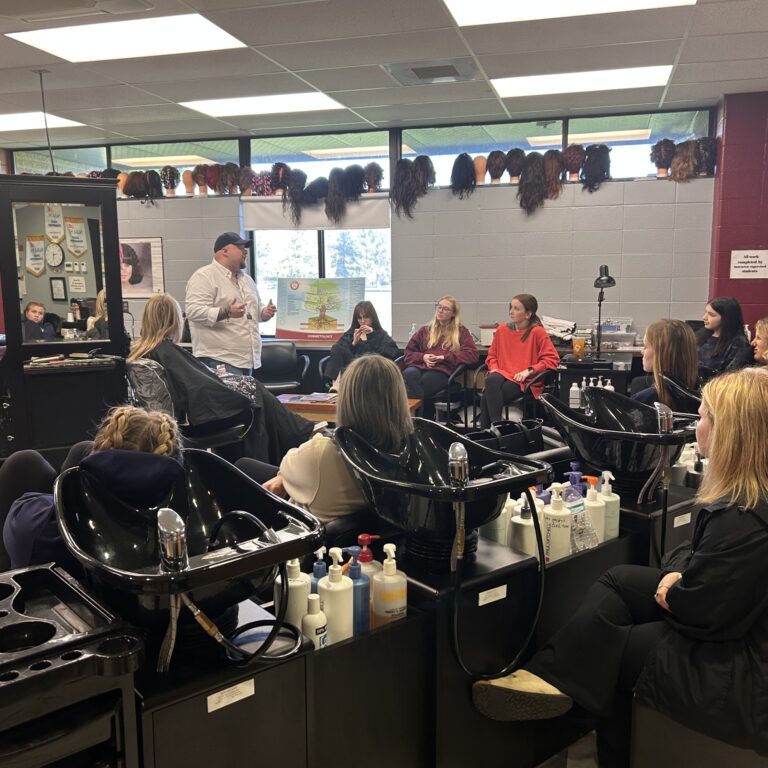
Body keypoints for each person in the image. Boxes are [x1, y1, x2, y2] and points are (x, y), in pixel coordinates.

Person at [473, 367, 768, 765]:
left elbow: (701, 614)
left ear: (730, 432)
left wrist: (675, 592)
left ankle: (584, 726)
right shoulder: (746, 500)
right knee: (618, 580)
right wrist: (678, 580)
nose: (696, 425)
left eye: (703, 417)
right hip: (735, 627)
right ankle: (549, 676)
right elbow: (692, 559)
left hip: (747, 675)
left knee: (610, 653)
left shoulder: (743, 516)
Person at [129, 294, 313, 466]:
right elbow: (199, 385)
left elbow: (195, 381)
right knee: (255, 397)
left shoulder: (142, 352)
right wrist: (227, 385)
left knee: (253, 393)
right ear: (173, 320)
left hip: (186, 416)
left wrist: (221, 381)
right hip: (197, 421)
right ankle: (300, 438)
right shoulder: (166, 350)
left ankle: (299, 436)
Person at [2, 406, 183, 574]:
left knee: (24, 462)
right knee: (80, 450)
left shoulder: (42, 531)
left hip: (58, 594)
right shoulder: (189, 528)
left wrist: (69, 492)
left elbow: (20, 523)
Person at [236, 355, 413, 522]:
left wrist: (284, 477)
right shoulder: (413, 448)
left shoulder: (321, 451)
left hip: (310, 535)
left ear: (346, 399)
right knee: (248, 466)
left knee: (241, 468)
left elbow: (288, 463)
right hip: (368, 528)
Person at [185, 232, 276, 375]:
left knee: (245, 398)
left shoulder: (247, 280)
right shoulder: (204, 276)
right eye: (240, 248)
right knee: (229, 398)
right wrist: (226, 312)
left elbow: (253, 313)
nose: (245, 252)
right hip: (219, 360)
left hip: (246, 360)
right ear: (225, 251)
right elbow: (193, 311)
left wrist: (264, 313)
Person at [478, 294, 559, 428]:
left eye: (516, 308)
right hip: (502, 373)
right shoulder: (502, 330)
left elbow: (551, 359)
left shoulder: (537, 332)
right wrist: (494, 368)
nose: (511, 312)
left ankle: (489, 434)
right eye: (511, 307)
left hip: (523, 380)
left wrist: (529, 370)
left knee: (486, 397)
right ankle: (497, 427)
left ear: (528, 314)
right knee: (491, 379)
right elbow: (491, 356)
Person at [402, 295, 479, 419]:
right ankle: (421, 420)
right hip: (420, 366)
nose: (440, 311)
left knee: (422, 385)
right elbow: (408, 353)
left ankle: (418, 420)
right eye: (439, 307)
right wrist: (423, 357)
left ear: (453, 314)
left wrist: (444, 358)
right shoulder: (425, 330)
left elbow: (472, 355)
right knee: (408, 374)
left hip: (441, 370)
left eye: (445, 309)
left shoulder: (461, 332)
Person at [324, 300, 399, 387]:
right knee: (337, 348)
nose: (363, 321)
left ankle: (338, 385)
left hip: (372, 368)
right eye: (359, 318)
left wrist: (371, 336)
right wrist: (354, 343)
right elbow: (342, 352)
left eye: (366, 317)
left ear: (372, 318)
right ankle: (335, 385)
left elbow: (390, 352)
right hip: (352, 367)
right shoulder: (351, 333)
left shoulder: (380, 334)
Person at [632, 319, 698, 410]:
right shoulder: (706, 397)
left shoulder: (642, 401)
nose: (642, 351)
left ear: (660, 354)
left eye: (645, 346)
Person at [697, 296, 752, 379]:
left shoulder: (738, 343)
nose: (704, 317)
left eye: (711, 315)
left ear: (726, 318)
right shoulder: (702, 334)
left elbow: (730, 375)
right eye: (706, 312)